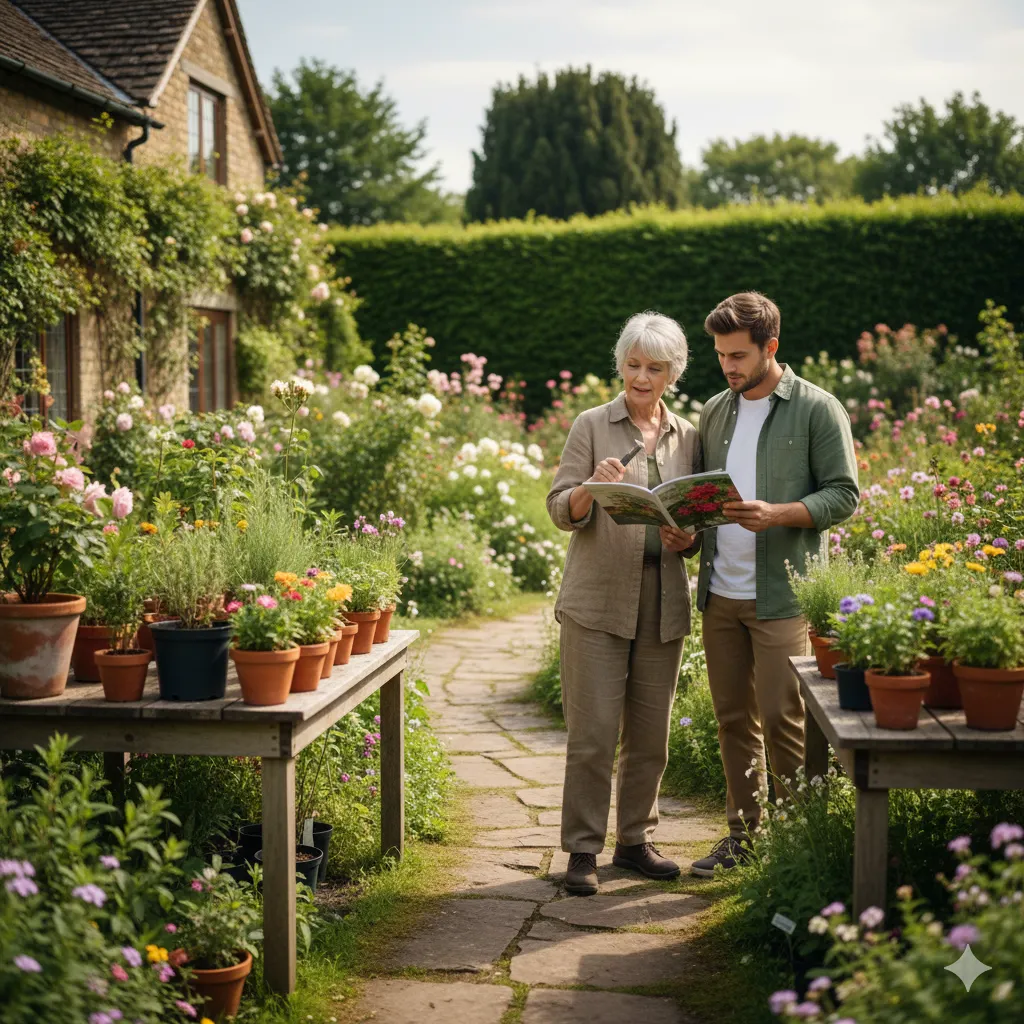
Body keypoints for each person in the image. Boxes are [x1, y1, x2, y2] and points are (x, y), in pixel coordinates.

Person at [689, 292, 859, 877]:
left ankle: (794, 843)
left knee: (785, 719)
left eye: (739, 355)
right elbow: (703, 494)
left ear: (771, 348)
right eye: (720, 355)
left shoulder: (817, 409)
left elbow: (845, 494)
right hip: (719, 592)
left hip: (783, 593)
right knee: (733, 719)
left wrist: (780, 513)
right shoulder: (716, 411)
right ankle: (743, 835)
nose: (729, 367)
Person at [546, 311, 700, 896]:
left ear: (672, 373)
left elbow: (695, 515)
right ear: (622, 365)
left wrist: (689, 536)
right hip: (597, 601)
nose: (642, 377)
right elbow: (561, 508)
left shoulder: (689, 434)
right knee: (592, 734)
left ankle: (635, 841)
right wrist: (589, 487)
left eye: (654, 367)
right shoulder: (591, 425)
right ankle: (582, 851)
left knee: (650, 733)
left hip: (662, 602)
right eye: (633, 365)